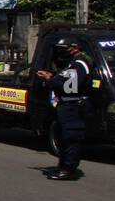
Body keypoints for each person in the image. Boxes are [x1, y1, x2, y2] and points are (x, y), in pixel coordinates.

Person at [37, 38, 91, 181]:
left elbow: (70, 87)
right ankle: (63, 166)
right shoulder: (72, 63)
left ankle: (68, 169)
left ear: (75, 48)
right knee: (62, 137)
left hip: (73, 107)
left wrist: (49, 81)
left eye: (64, 48)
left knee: (71, 137)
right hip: (66, 106)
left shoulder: (79, 64)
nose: (61, 51)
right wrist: (52, 77)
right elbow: (64, 80)